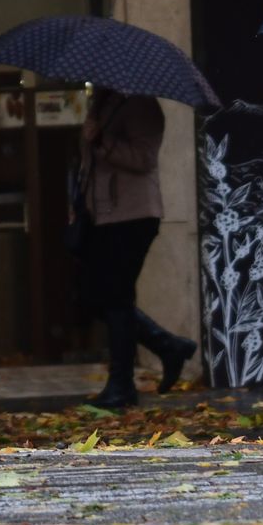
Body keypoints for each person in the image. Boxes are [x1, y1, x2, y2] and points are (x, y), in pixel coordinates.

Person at [77, 87, 198, 409]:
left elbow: (143, 159)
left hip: (132, 215)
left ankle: (122, 384)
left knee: (116, 299)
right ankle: (168, 345)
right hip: (102, 216)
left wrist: (102, 140)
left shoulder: (141, 104)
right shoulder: (102, 102)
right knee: (96, 296)